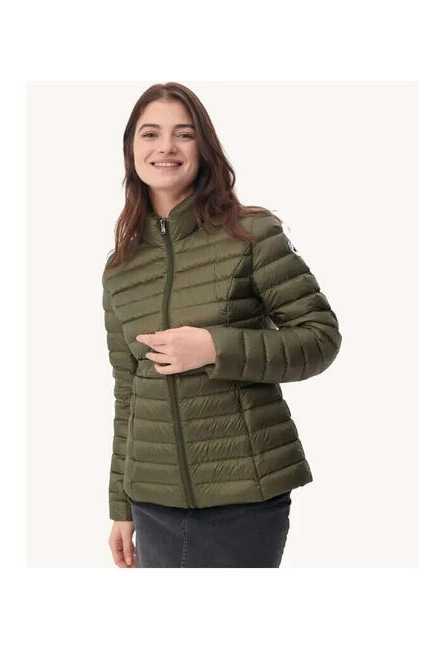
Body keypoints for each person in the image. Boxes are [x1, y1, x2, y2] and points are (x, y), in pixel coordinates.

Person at [102, 82, 341, 568]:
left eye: (183, 134)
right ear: (131, 150)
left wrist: (215, 348)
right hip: (153, 501)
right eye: (150, 134)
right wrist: (120, 506)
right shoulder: (121, 267)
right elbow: (128, 391)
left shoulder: (251, 235)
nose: (166, 147)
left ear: (204, 148)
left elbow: (320, 338)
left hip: (244, 497)